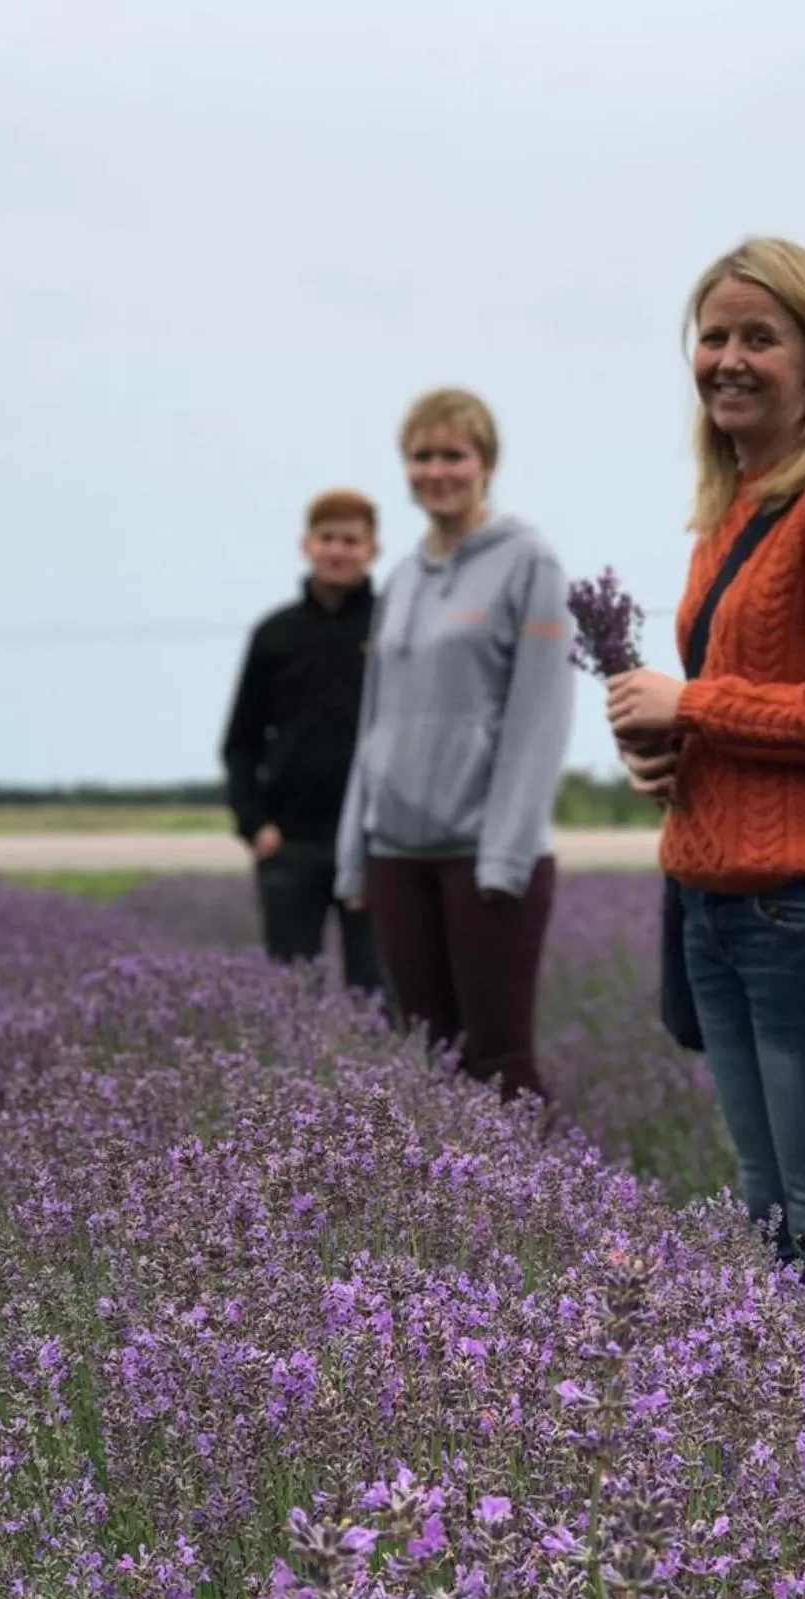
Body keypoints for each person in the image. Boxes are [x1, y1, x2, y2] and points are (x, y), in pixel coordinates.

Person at [607, 238, 805, 1289]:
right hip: (718, 904)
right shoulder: (732, 508)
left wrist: (693, 700)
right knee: (769, 1212)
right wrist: (670, 747)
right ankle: (804, 1440)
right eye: (713, 336)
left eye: (760, 336)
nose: (729, 358)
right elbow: (767, 700)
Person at [335, 389, 573, 1101]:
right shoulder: (401, 580)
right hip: (396, 855)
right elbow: (373, 721)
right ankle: (457, 1215)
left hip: (485, 857)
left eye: (453, 455)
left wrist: (504, 855)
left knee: (500, 1063)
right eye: (422, 455)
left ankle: (548, 1212)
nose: (437, 470)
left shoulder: (531, 564)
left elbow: (541, 718)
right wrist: (355, 855)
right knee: (429, 1064)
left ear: (487, 464)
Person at [222, 489, 383, 989]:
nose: (338, 550)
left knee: (380, 995)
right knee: (292, 997)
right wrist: (255, 825)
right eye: (327, 538)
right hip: (291, 843)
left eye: (351, 540)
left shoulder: (393, 627)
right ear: (306, 545)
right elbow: (240, 740)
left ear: (372, 549)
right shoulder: (274, 634)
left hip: (376, 839)